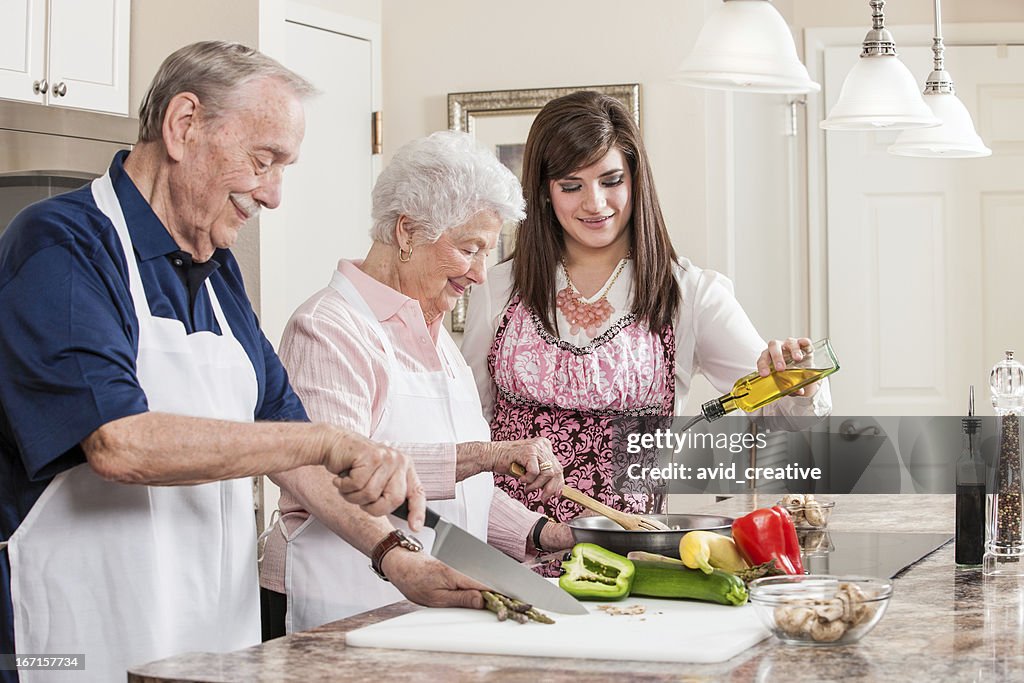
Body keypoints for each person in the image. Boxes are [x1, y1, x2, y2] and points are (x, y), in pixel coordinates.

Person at [0, 42, 424, 683]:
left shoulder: (218, 272)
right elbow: (121, 443)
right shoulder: (62, 244)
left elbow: (300, 457)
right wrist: (328, 439)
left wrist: (395, 555)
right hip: (76, 642)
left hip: (207, 647)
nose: (275, 194)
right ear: (183, 125)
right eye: (263, 160)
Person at [462, 91, 831, 530]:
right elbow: (469, 426)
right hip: (508, 547)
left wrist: (797, 385)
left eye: (611, 180)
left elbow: (781, 425)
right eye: (571, 185)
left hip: (631, 556)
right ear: (544, 192)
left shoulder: (690, 294)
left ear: (636, 180)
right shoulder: (497, 287)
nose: (595, 203)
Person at [259, 131, 576, 635]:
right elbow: (337, 476)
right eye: (469, 248)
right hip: (337, 604)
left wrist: (547, 533)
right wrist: (484, 453)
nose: (478, 274)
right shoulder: (327, 328)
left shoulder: (438, 337)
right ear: (407, 232)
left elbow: (457, 497)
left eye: (486, 253)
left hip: (421, 611)